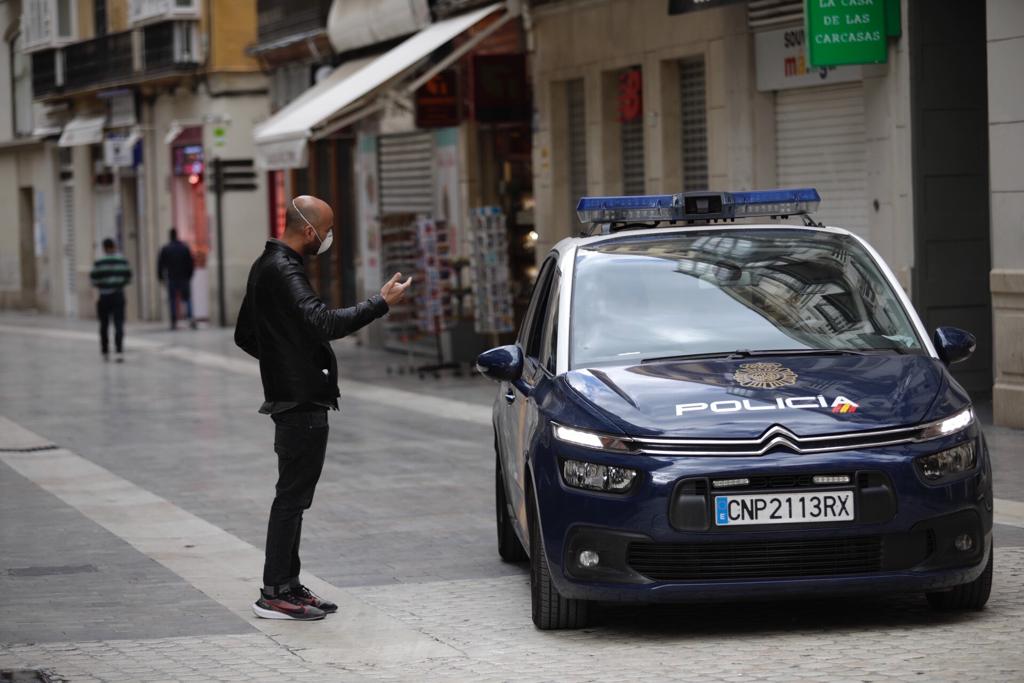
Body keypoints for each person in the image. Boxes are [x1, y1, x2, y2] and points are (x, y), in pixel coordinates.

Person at [234, 194, 412, 621]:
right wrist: (380, 304)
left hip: (293, 396)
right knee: (291, 499)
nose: (330, 238)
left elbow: (246, 334)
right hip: (301, 401)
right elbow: (325, 323)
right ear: (310, 231)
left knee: (294, 497)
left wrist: (282, 359)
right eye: (328, 230)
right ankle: (275, 592)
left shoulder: (266, 266)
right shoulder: (284, 269)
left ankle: (289, 586)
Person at [89, 238, 132, 362]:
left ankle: (105, 351)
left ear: (104, 248)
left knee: (104, 325)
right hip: (118, 295)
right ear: (114, 247)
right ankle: (119, 350)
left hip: (104, 296)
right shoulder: (122, 261)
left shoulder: (99, 262)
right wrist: (118, 284)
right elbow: (128, 277)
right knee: (119, 323)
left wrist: (103, 285)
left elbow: (93, 279)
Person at [157, 228, 196, 330]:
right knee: (187, 299)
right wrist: (189, 274)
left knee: (172, 300)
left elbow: (160, 264)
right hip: (184, 277)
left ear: (170, 236)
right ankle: (190, 318)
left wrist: (160, 276)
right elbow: (190, 262)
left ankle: (174, 321)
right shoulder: (184, 247)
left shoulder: (166, 249)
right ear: (177, 235)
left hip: (172, 277)